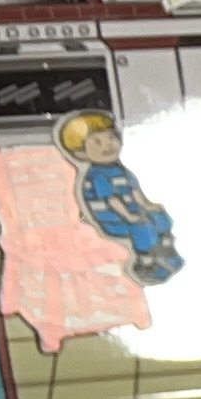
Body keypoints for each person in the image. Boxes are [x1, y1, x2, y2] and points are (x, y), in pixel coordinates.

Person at [57, 112, 176, 283]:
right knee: (141, 226)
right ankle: (147, 263)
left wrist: (147, 205)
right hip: (113, 219)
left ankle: (165, 248)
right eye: (97, 142)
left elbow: (134, 191)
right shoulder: (98, 176)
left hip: (130, 212)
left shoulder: (120, 170)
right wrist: (128, 216)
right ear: (81, 153)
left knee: (159, 216)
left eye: (111, 137)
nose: (108, 145)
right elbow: (112, 200)